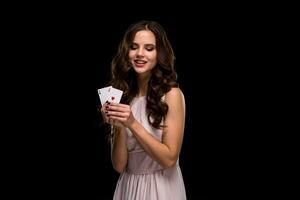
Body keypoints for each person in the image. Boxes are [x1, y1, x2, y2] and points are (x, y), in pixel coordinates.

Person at [99, 20, 187, 200]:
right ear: (126, 52)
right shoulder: (123, 97)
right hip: (128, 187)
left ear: (159, 53)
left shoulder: (172, 95)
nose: (140, 54)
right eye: (134, 47)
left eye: (149, 48)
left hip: (162, 188)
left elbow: (169, 159)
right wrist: (119, 125)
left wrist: (131, 122)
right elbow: (119, 165)